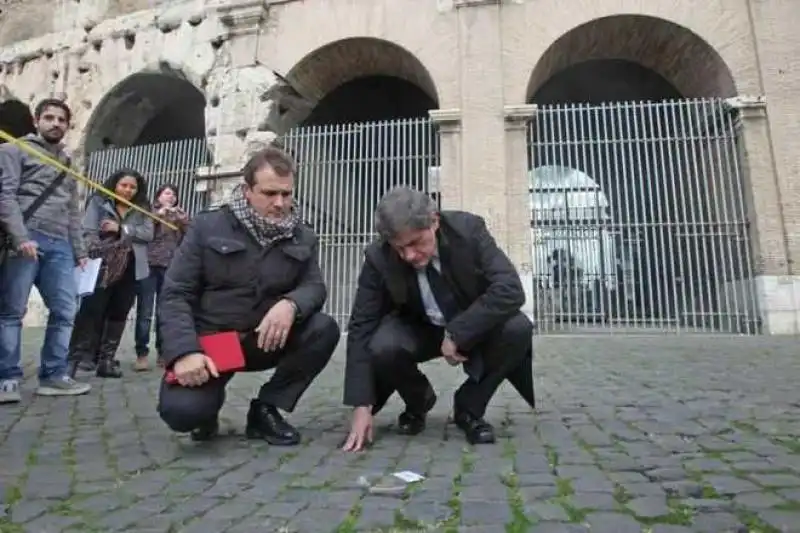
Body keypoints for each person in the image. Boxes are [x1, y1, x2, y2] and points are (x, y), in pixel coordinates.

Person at [157, 146, 340, 444]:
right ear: (247, 190)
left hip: (264, 339)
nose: (280, 203)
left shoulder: (302, 234)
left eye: (287, 194)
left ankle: (267, 409)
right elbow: (176, 293)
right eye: (269, 193)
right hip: (213, 345)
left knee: (323, 328)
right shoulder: (207, 226)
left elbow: (314, 286)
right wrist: (183, 352)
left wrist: (291, 304)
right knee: (183, 414)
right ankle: (207, 409)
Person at [342, 186, 535, 451]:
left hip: (468, 325)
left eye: (415, 243)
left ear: (434, 221)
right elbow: (361, 325)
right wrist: (362, 405)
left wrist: (458, 333)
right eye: (400, 248)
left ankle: (469, 408)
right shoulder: (378, 256)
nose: (409, 256)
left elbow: (510, 289)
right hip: (417, 328)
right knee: (382, 345)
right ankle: (418, 401)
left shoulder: (468, 230)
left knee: (517, 328)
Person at [0, 98, 92, 403]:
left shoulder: (67, 161)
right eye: (49, 118)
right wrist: (20, 237)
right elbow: (7, 197)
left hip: (60, 244)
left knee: (66, 310)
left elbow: (73, 210)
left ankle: (53, 375)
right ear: (37, 121)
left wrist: (79, 250)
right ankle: (7, 378)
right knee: (12, 311)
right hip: (27, 239)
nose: (56, 124)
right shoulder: (14, 149)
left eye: (62, 120)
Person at [67, 169, 154, 378]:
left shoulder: (142, 207)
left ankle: (106, 361)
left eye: (133, 187)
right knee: (91, 310)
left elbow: (148, 233)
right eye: (124, 185)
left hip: (132, 265)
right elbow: (88, 229)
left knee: (119, 312)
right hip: (102, 264)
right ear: (115, 184)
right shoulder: (99, 201)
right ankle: (72, 361)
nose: (128, 190)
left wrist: (121, 229)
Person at [133, 183, 189, 371]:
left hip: (170, 266)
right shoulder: (148, 211)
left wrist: (183, 221)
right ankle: (141, 353)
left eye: (174, 194)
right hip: (149, 265)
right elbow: (144, 232)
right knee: (145, 312)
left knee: (164, 312)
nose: (171, 197)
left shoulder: (179, 215)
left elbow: (188, 238)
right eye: (167, 193)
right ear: (158, 196)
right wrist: (158, 215)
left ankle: (163, 353)